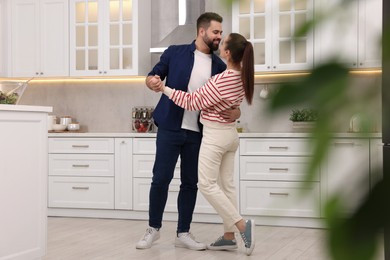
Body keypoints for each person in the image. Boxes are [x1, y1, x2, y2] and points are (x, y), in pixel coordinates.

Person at [136, 12, 241, 251]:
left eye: (220, 33)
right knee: (161, 178)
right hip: (171, 126)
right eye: (215, 32)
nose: (219, 37)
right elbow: (155, 74)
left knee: (190, 183)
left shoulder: (219, 66)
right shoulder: (175, 52)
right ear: (202, 31)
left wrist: (238, 113)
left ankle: (183, 232)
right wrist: (151, 80)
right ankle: (153, 228)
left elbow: (230, 101)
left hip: (199, 132)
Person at [154, 32, 255, 256]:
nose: (220, 40)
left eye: (223, 39)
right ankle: (229, 238)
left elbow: (191, 101)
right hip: (230, 136)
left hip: (216, 135)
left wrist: (164, 89)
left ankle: (240, 225)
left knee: (207, 185)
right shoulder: (242, 76)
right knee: (227, 186)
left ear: (227, 53)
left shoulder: (222, 78)